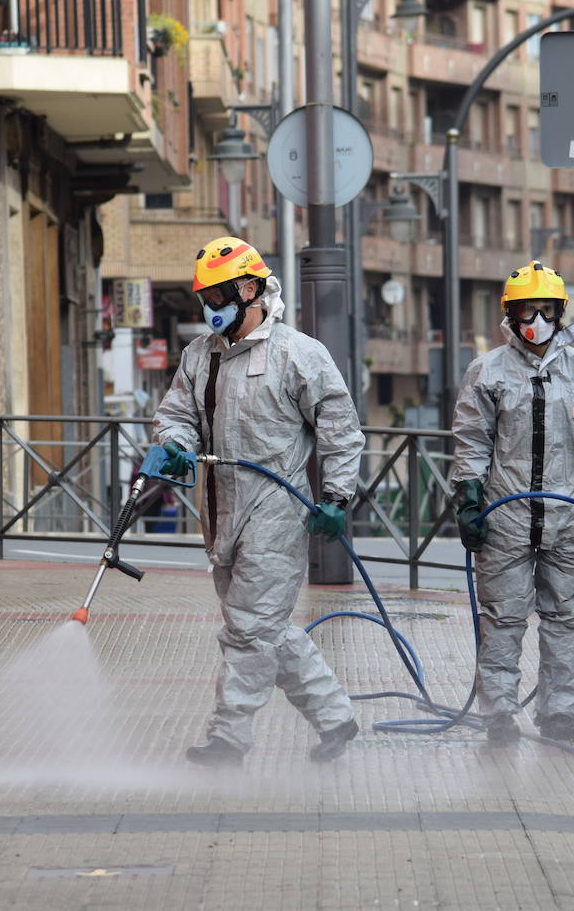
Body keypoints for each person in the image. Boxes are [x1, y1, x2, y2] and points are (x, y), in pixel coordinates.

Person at [150, 235, 365, 767]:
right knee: (265, 626)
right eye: (206, 298)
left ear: (249, 289)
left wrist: (337, 496)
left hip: (277, 508)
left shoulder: (298, 353)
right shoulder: (199, 357)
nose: (211, 308)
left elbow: (340, 429)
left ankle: (229, 738)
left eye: (219, 296)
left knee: (247, 627)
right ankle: (335, 715)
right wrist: (175, 446)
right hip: (220, 508)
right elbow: (175, 415)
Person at [450, 261, 574, 746]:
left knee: (566, 618)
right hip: (505, 518)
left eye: (546, 309)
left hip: (567, 519)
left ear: (560, 313)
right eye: (528, 309)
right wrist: (467, 498)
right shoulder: (488, 371)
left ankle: (560, 713)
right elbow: (471, 440)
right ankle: (499, 712)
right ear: (511, 313)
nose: (537, 320)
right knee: (502, 618)